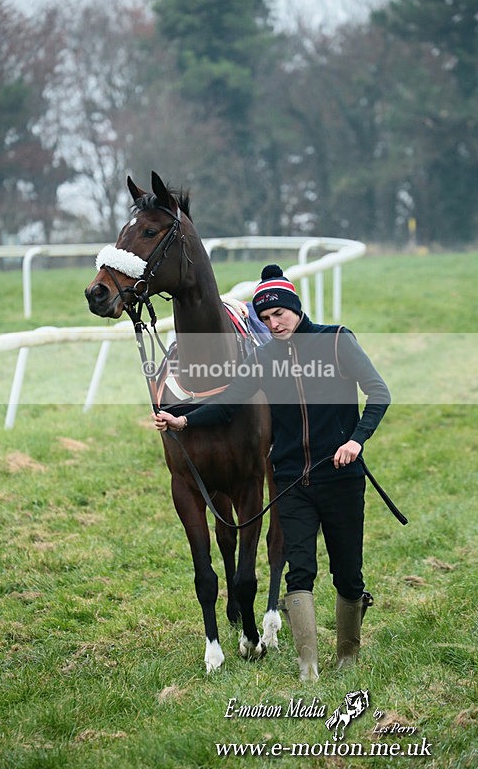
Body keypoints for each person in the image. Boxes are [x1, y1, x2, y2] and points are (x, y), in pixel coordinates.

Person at [153, 264, 391, 680]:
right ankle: (308, 667)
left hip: (341, 477)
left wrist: (356, 441)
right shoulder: (262, 357)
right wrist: (183, 420)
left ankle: (347, 658)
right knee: (300, 572)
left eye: (279, 313)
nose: (273, 323)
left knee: (347, 574)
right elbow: (228, 403)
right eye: (264, 318)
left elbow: (379, 392)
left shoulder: (337, 340)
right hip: (291, 480)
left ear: (295, 308)